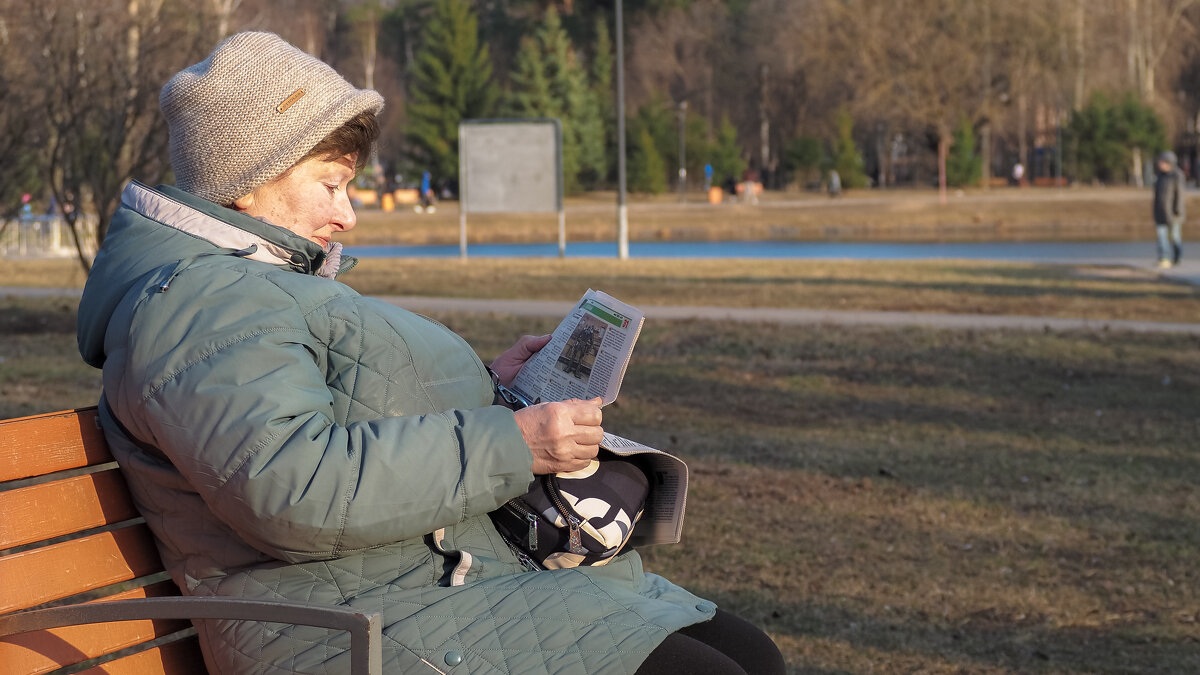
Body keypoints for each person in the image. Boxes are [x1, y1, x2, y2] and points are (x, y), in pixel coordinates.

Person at [75, 32, 784, 675]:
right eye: (330, 184)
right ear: (248, 180)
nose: (347, 214)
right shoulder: (200, 306)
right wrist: (513, 444)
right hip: (336, 627)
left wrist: (491, 384)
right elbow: (295, 490)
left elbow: (331, 415)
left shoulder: (244, 286)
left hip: (416, 585)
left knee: (750, 654)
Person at [1153, 150, 1186, 268]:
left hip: (1174, 213)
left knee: (1175, 237)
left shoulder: (1177, 175)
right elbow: (1157, 196)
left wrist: (1178, 210)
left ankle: (1178, 257)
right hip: (1161, 213)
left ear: (1170, 163)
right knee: (1161, 236)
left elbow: (1180, 194)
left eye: (1162, 162)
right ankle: (1164, 258)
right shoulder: (1160, 176)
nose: (1160, 164)